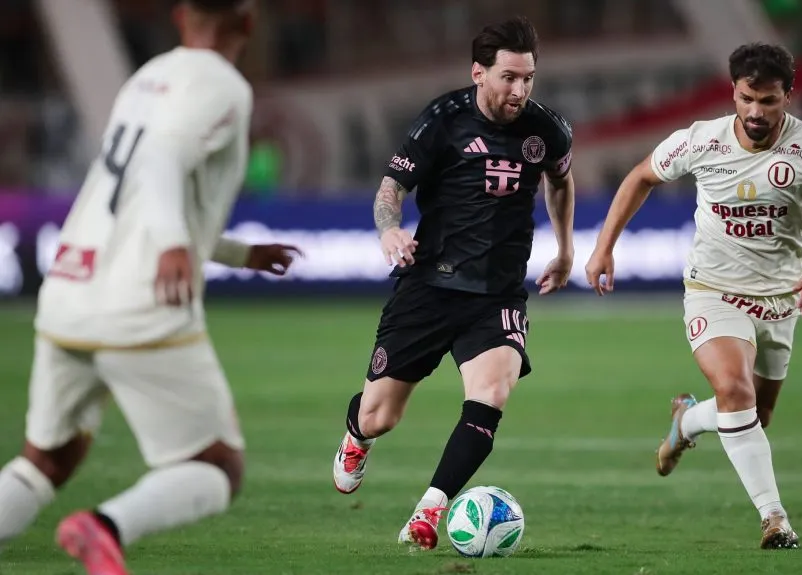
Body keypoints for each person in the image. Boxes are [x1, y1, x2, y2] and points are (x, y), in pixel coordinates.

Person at [0, 2, 301, 573]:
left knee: (47, 459)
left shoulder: (146, 78)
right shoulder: (223, 87)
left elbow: (141, 189)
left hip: (69, 291)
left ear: (180, 15)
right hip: (137, 304)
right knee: (217, 467)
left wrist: (237, 253)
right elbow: (161, 162)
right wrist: (169, 244)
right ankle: (106, 527)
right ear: (249, 22)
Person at [584, 42, 802, 550]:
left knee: (756, 416)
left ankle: (687, 420)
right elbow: (640, 177)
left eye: (769, 102)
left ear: (788, 97)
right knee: (736, 392)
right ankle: (774, 518)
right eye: (746, 98)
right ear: (733, 92)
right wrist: (604, 248)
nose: (756, 112)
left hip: (781, 300)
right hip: (713, 291)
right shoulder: (700, 141)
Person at [331, 16, 575, 551]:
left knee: (491, 393)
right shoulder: (442, 120)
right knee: (380, 416)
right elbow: (392, 186)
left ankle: (430, 511)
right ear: (478, 72)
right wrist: (389, 229)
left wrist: (565, 247)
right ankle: (355, 435)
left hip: (498, 294)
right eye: (509, 77)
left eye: (528, 78)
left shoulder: (546, 129)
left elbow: (560, 177)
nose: (520, 90)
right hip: (430, 287)